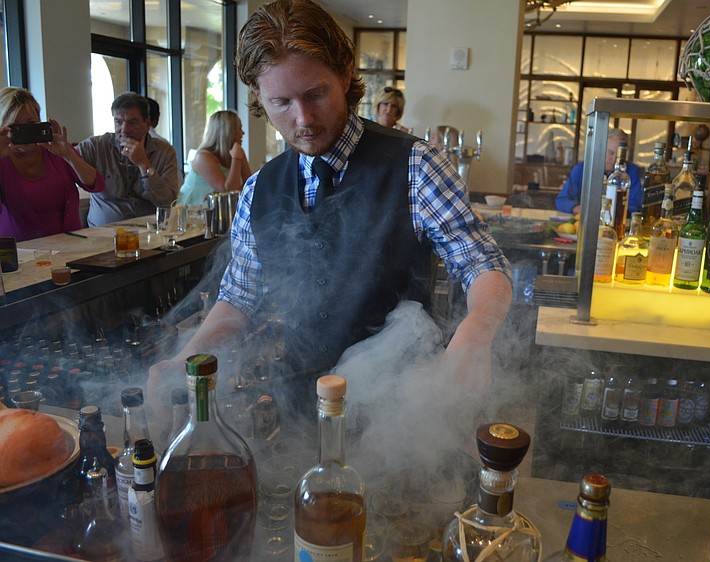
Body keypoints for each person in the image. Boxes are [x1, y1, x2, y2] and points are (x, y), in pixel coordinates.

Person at [147, 0, 511, 415]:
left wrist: (475, 335)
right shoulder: (258, 190)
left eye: (315, 94)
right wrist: (184, 362)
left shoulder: (415, 165)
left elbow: (483, 263)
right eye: (281, 102)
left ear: (345, 73)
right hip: (300, 405)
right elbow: (237, 300)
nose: (303, 119)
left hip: (402, 409)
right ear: (258, 99)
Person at [0, 87, 104, 241]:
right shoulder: (3, 161)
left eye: (31, 124)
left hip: (68, 245)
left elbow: (96, 184)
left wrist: (68, 154)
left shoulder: (54, 151)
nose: (26, 132)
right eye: (16, 127)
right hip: (19, 253)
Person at [77, 92, 179, 226]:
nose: (124, 130)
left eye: (132, 122)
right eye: (118, 122)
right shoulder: (96, 147)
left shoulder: (164, 152)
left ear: (147, 124)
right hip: (103, 234)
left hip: (149, 232)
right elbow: (63, 164)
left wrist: (144, 164)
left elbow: (167, 202)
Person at [555, 128, 642, 215]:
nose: (615, 159)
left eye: (620, 155)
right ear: (601, 150)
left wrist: (610, 212)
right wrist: (581, 209)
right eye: (611, 153)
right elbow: (562, 201)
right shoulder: (582, 169)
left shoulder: (632, 172)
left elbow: (635, 206)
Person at [178, 110, 252, 207]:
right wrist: (236, 159)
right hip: (191, 212)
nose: (243, 133)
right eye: (239, 128)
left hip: (216, 210)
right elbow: (229, 192)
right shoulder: (203, 157)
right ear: (228, 132)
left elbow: (250, 186)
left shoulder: (237, 152)